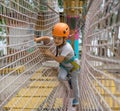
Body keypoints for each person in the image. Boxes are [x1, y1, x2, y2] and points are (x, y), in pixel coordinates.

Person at [34, 22, 80, 106]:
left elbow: (59, 60)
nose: (56, 40)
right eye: (55, 38)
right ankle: (68, 80)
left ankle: (77, 99)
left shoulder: (67, 47)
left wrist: (50, 54)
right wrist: (38, 39)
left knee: (75, 83)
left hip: (73, 67)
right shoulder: (57, 40)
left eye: (59, 39)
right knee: (61, 77)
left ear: (64, 39)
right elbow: (47, 38)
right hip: (64, 66)